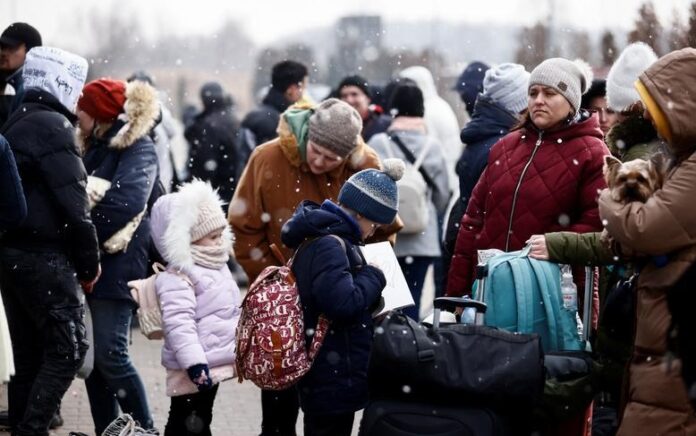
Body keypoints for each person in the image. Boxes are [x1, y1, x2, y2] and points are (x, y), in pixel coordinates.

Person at [447, 58, 608, 435]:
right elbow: (472, 221)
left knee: (545, 400)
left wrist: (556, 247)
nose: (539, 100)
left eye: (550, 92)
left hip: (550, 301)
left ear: (571, 99)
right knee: (488, 396)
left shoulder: (591, 152)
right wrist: (456, 292)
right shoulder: (505, 147)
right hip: (489, 294)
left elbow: (599, 228)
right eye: (533, 92)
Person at [229, 97, 400, 436]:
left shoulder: (365, 164)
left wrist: (365, 274)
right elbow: (242, 226)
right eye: (315, 151)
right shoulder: (267, 157)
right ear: (307, 135)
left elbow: (385, 232)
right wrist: (281, 282)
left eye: (331, 158)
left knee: (323, 409)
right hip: (284, 313)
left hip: (334, 321)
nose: (320, 162)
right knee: (278, 414)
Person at [526, 42, 660, 436]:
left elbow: (619, 236)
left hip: (632, 295)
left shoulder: (631, 156)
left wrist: (558, 243)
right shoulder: (650, 152)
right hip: (632, 295)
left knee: (616, 391)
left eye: (611, 109)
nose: (604, 117)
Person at [0, 46, 100, 435]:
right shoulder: (54, 128)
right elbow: (76, 208)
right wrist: (89, 265)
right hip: (44, 258)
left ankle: (28, 422)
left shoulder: (17, 120)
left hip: (12, 256)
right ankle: (33, 427)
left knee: (28, 357)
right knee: (68, 350)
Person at [598, 47, 696, 436]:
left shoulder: (689, 166)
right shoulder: (680, 160)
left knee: (659, 415)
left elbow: (648, 228)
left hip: (676, 323)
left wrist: (608, 202)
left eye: (657, 113)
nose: (655, 125)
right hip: (665, 322)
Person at [281, 161, 404, 436]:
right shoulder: (331, 245)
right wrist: (374, 276)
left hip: (330, 369)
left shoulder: (326, 237)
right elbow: (341, 303)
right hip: (331, 372)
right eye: (375, 223)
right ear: (361, 214)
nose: (374, 230)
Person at [76, 78, 160, 434]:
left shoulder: (138, 147)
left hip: (118, 264)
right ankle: (108, 430)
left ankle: (144, 428)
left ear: (99, 114)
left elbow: (127, 202)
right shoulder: (96, 144)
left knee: (111, 355)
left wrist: (80, 232)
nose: (77, 115)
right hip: (93, 262)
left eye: (83, 109)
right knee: (95, 362)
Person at [149, 180, 241, 436]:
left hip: (213, 363)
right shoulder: (178, 276)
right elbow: (180, 324)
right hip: (193, 367)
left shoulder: (215, 264)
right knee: (186, 423)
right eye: (212, 237)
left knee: (200, 419)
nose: (220, 242)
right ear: (187, 240)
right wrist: (195, 364)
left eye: (221, 234)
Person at [443, 63, 530, 291]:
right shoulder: (501, 147)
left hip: (473, 251)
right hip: (490, 260)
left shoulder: (483, 138)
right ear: (520, 106)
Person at [368, 83, 449, 320]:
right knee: (413, 299)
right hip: (422, 237)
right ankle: (410, 347)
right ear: (421, 111)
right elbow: (443, 193)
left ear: (393, 110)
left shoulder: (379, 143)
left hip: (386, 236)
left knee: (384, 302)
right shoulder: (432, 146)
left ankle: (385, 348)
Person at [238, 60, 308, 162]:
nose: (303, 93)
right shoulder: (275, 121)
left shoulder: (262, 115)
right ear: (291, 89)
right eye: (303, 87)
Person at [185, 82, 240, 207]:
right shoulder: (233, 119)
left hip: (214, 189)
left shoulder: (208, 124)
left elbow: (204, 162)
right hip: (232, 184)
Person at [0, 22, 42, 125]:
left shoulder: (28, 89)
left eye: (12, 47)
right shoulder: (12, 83)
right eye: (2, 47)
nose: (4, 53)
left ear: (30, 52)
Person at [337, 75, 391, 141]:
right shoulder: (336, 128)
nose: (349, 100)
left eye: (354, 94)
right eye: (344, 96)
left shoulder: (385, 125)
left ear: (367, 98)